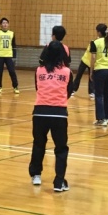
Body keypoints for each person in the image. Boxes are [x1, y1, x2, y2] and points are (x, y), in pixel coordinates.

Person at [29, 41, 74, 192]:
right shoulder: (67, 72)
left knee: (38, 144)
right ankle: (59, 181)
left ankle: (36, 175)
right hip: (59, 114)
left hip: (39, 112)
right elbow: (69, 91)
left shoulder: (39, 70)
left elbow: (37, 88)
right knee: (61, 148)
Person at [89, 23, 108, 127]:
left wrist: (91, 71)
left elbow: (93, 58)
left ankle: (101, 119)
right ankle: (107, 118)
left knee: (99, 95)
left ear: (99, 32)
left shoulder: (95, 42)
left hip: (100, 70)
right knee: (107, 95)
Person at [0, 17, 19, 94]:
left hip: (9, 56)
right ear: (1, 25)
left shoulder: (12, 33)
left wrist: (14, 56)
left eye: (6, 23)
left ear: (8, 24)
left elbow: (14, 45)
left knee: (12, 71)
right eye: (3, 23)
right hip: (0, 55)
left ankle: (15, 87)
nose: (5, 24)